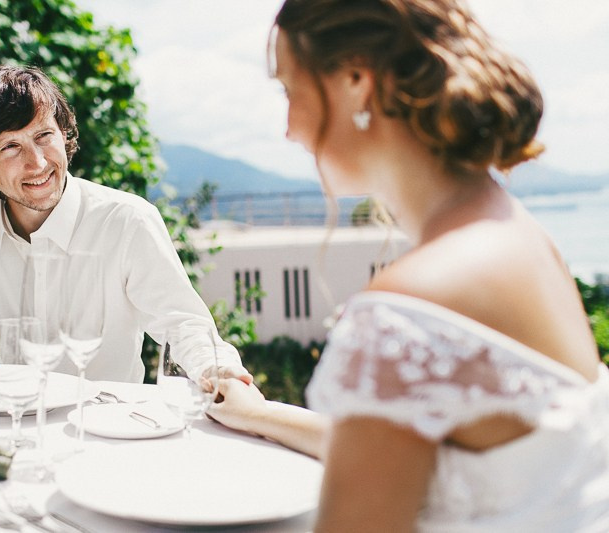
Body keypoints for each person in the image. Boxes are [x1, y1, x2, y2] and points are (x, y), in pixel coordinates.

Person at [208, 0, 609, 530]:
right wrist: (260, 415)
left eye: (289, 91)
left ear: (356, 80)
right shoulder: (519, 234)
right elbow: (443, 454)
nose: (287, 130)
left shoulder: (409, 305)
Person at [0, 65, 251, 384]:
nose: (37, 162)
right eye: (11, 147)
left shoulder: (127, 220)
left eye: (44, 136)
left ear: (63, 133)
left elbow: (184, 325)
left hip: (107, 428)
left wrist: (216, 370)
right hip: (14, 425)